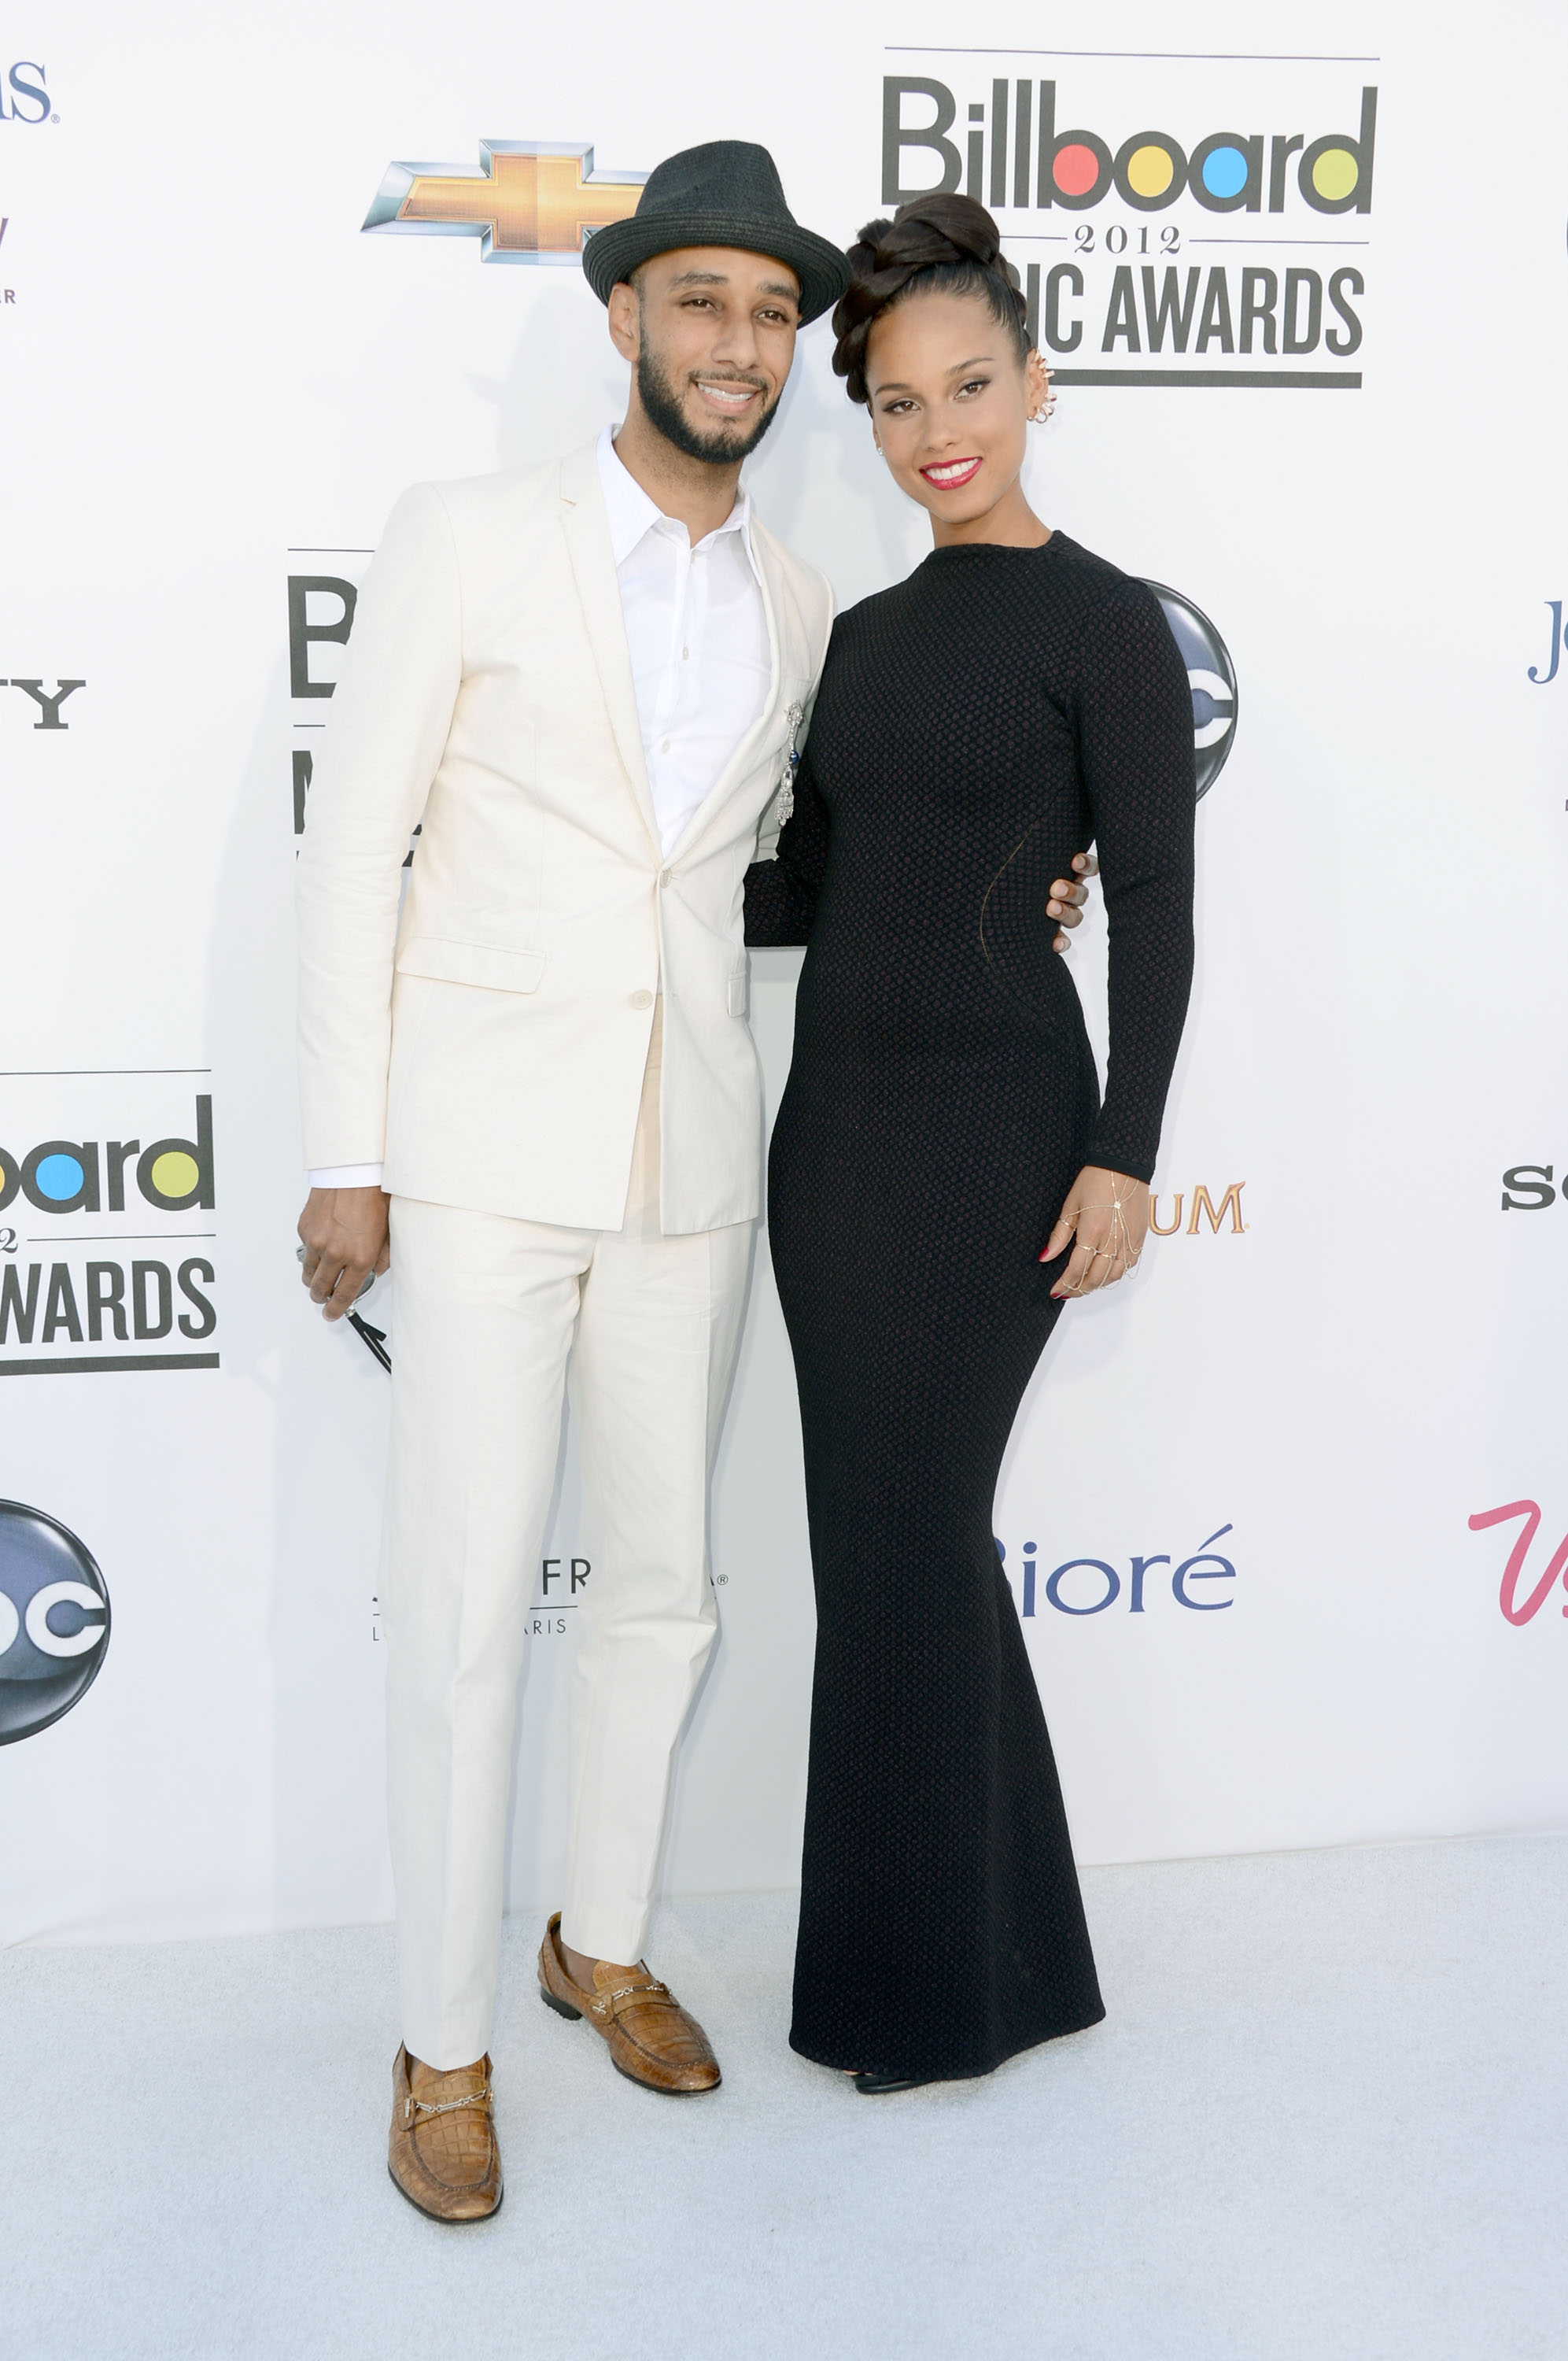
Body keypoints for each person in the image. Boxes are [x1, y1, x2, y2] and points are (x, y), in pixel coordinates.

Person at [296, 137, 1105, 2217]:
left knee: (661, 1592)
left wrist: (1021, 878)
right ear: (624, 318)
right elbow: (354, 849)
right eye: (699, 302)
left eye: (768, 311)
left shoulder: (807, 605)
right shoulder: (465, 535)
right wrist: (346, 1157)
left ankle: (602, 1942)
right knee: (465, 1610)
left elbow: (805, 873)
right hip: (475, 1162)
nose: (736, 341)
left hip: (699, 1162)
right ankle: (441, 2043)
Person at [743, 195, 1197, 2093]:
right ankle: (999, 1961)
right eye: (897, 400)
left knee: (917, 1540)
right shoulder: (858, 638)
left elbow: (1152, 908)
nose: (937, 430)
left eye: (970, 386)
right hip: (832, 1143)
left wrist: (1123, 1154)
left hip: (1002, 1132)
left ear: (1034, 381)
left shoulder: (1104, 623)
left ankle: (929, 1991)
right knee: (881, 1554)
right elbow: (804, 892)